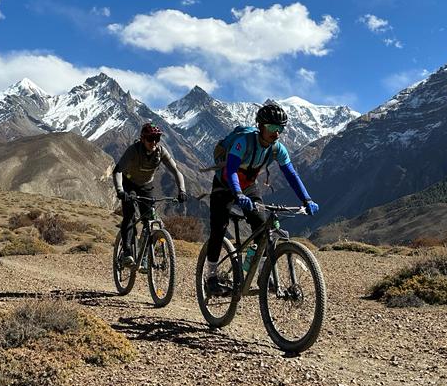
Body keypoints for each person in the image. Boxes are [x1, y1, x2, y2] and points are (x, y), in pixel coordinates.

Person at [204, 103, 319, 296]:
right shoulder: (243, 141)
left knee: (262, 227)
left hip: (249, 185)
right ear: (261, 126)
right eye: (272, 127)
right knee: (219, 227)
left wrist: (306, 199)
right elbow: (231, 170)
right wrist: (238, 194)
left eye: (281, 128)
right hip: (225, 184)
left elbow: (291, 175)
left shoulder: (277, 148)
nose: (277, 133)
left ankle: (263, 275)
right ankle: (211, 277)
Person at [113, 123, 187, 266]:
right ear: (142, 139)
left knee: (149, 219)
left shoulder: (161, 152)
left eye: (157, 139)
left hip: (146, 186)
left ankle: (145, 256)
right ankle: (127, 252)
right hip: (129, 184)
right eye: (150, 139)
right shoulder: (133, 150)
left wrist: (182, 190)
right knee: (129, 215)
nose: (153, 142)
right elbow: (118, 170)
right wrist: (120, 190)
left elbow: (176, 171)